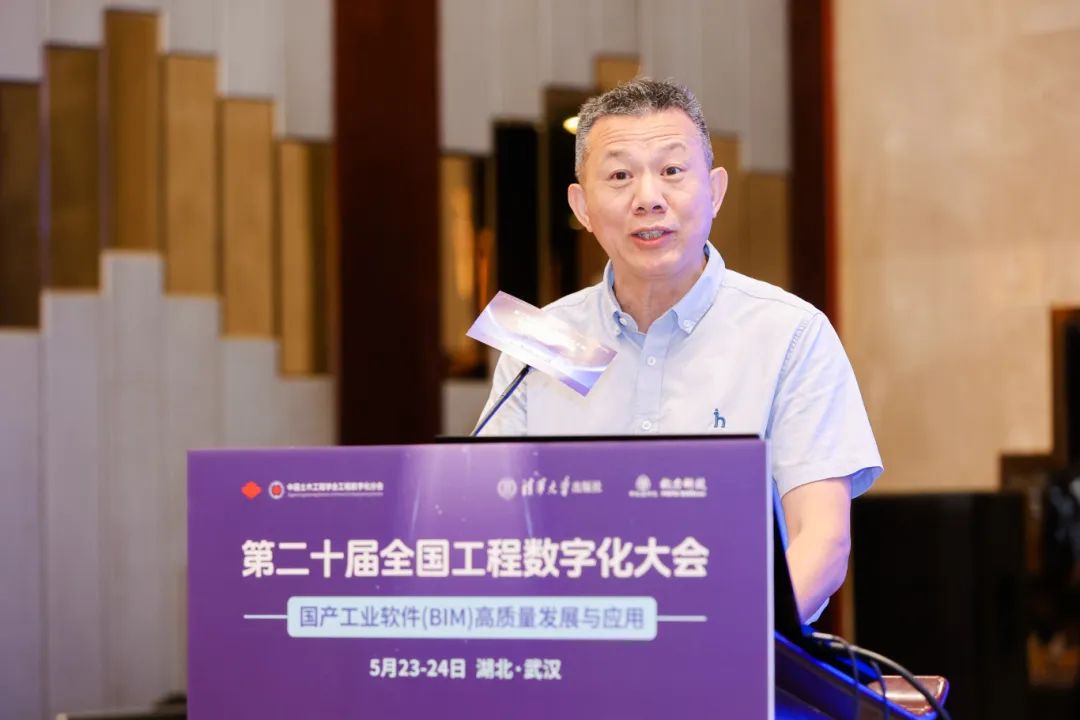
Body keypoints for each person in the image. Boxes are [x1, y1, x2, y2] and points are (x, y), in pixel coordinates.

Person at [475, 78, 882, 623]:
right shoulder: (540, 340)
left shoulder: (790, 334)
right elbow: (481, 526)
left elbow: (822, 542)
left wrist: (718, 645)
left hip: (735, 656)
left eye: (671, 170)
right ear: (582, 205)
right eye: (620, 176)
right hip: (575, 649)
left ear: (715, 191)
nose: (648, 197)